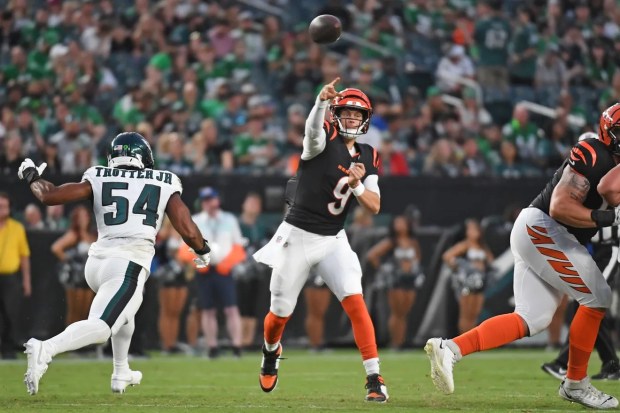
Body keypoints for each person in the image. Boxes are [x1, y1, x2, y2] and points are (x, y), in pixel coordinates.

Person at [425, 106, 620, 409]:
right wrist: (601, 218)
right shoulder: (595, 154)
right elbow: (560, 206)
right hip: (545, 227)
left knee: (533, 318)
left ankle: (450, 349)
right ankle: (575, 383)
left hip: (545, 234)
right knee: (598, 296)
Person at [18, 132, 211, 395]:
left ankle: (121, 371)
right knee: (103, 327)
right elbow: (186, 228)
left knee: (124, 314)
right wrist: (202, 249)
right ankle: (47, 348)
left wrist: (31, 175)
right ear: (144, 156)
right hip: (127, 263)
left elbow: (49, 195)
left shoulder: (98, 175)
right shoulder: (164, 180)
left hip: (96, 264)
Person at [253, 78, 388, 402]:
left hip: (333, 238)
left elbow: (374, 205)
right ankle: (271, 352)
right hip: (297, 235)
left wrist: (357, 185)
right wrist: (318, 103)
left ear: (365, 119)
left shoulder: (369, 155)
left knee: (355, 302)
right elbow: (311, 133)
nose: (352, 120)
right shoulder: (323, 138)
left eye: (357, 115)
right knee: (279, 313)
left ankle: (374, 377)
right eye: (346, 113)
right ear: (335, 114)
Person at [542, 226, 620, 380]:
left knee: (589, 304)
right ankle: (611, 365)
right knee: (590, 307)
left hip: (610, 249)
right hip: (590, 250)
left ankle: (562, 362)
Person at [191, 186, 245, 359]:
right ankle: (212, 346)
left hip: (224, 269)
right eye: (205, 201)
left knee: (231, 308)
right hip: (205, 269)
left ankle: (237, 345)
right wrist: (200, 263)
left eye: (211, 199)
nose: (209, 203)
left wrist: (228, 263)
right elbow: (186, 247)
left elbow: (238, 245)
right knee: (208, 310)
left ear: (217, 200)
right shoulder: (196, 220)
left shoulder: (229, 219)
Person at [367, 214, 424, 350]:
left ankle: (401, 341)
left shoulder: (412, 242)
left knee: (404, 312)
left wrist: (414, 269)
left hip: (410, 279)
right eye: (397, 223)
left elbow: (418, 258)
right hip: (396, 280)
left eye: (402, 223)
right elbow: (372, 255)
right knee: (396, 312)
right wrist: (384, 269)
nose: (400, 226)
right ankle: (394, 342)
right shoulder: (391, 242)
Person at [442, 218, 493, 333]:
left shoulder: (482, 246)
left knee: (475, 313)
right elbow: (447, 256)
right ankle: (463, 340)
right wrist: (458, 267)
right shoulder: (465, 245)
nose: (473, 232)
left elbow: (490, 260)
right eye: (470, 229)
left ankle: (471, 341)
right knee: (465, 313)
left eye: (475, 229)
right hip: (467, 282)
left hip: (480, 282)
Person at [51, 205, 97, 327]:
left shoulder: (92, 235)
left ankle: (82, 343)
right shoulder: (74, 234)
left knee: (86, 312)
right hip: (75, 278)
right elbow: (56, 248)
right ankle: (69, 342)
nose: (83, 219)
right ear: (75, 218)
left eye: (85, 215)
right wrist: (71, 261)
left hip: (88, 277)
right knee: (74, 313)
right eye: (80, 216)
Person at [0, 192, 31, 359]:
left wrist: (26, 281)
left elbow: (24, 256)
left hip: (10, 277)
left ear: (9, 208)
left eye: (4, 206)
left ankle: (8, 348)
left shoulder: (17, 228)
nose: (1, 210)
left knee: (10, 313)